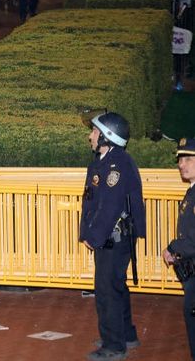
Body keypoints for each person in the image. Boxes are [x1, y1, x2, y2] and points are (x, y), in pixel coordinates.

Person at [79, 111, 145, 361]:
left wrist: (93, 237)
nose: (90, 136)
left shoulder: (117, 165)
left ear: (107, 137)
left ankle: (114, 345)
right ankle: (125, 335)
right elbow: (91, 201)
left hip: (114, 239)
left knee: (106, 290)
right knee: (116, 286)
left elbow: (110, 207)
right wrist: (87, 232)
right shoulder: (104, 161)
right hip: (109, 238)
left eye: (94, 132)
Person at [164, 138, 195, 361]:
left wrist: (172, 247)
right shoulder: (191, 192)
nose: (181, 164)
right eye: (180, 159)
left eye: (187, 159)